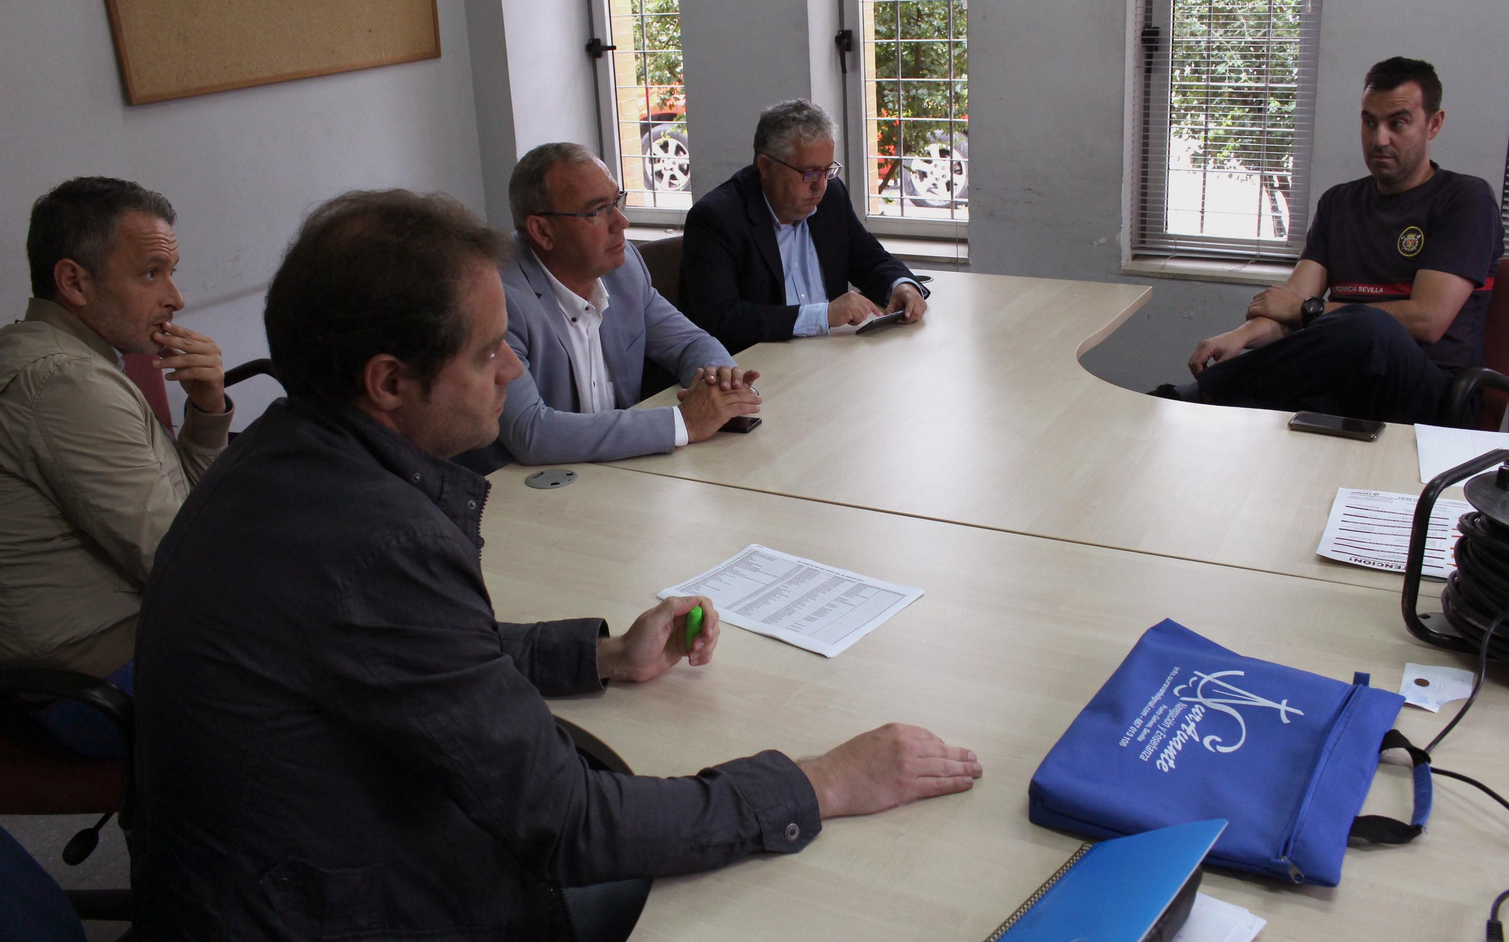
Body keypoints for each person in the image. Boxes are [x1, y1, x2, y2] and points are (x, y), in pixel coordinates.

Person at [132, 189, 981, 939]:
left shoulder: (277, 459)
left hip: (265, 880)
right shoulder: (379, 539)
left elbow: (416, 652)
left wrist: (600, 655)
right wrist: (817, 783)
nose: (514, 366)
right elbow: (566, 824)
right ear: (389, 381)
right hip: (348, 907)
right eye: (487, 351)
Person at [0, 177, 230, 756]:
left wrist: (206, 411)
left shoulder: (67, 357)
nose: (175, 298)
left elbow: (185, 515)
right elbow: (183, 562)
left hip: (122, 646)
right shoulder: (65, 384)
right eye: (151, 273)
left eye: (171, 272)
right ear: (74, 281)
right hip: (102, 680)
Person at [1157, 58, 1504, 425]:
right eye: (1369, 122)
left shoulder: (1466, 199)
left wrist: (1309, 310)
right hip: (1346, 383)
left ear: (1433, 124)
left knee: (1369, 327)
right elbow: (1291, 305)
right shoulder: (1339, 203)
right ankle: (1186, 410)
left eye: (1397, 124)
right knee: (1254, 423)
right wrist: (1241, 336)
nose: (1379, 139)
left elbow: (1427, 319)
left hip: (1432, 396)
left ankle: (1199, 396)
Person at [462, 143, 760, 472]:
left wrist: (722, 386)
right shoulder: (498, 297)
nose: (621, 221)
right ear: (542, 231)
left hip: (617, 470)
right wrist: (683, 423)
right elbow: (531, 432)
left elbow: (689, 342)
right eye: (598, 211)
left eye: (617, 201)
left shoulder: (623, 266)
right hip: (524, 485)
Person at [679, 98, 929, 354]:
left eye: (827, 170)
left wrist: (902, 285)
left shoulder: (831, 197)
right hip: (761, 363)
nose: (820, 186)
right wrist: (823, 315)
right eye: (809, 173)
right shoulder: (717, 218)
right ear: (766, 166)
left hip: (831, 353)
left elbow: (870, 259)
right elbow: (719, 318)